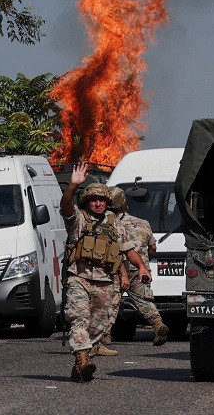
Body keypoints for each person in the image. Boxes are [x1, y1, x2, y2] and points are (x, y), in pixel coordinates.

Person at [60, 163, 151, 383]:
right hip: (79, 278)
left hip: (106, 282)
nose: (98, 203)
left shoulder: (115, 224)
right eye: (93, 200)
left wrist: (141, 267)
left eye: (102, 200)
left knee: (98, 328)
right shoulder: (78, 219)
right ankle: (82, 358)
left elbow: (127, 249)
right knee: (79, 319)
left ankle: (81, 364)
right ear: (86, 202)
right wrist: (72, 186)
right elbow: (65, 207)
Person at [103, 186, 171, 348]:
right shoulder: (143, 223)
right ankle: (158, 324)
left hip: (114, 268)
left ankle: (105, 335)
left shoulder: (106, 224)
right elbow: (152, 248)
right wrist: (143, 264)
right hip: (139, 269)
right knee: (144, 300)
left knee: (110, 301)